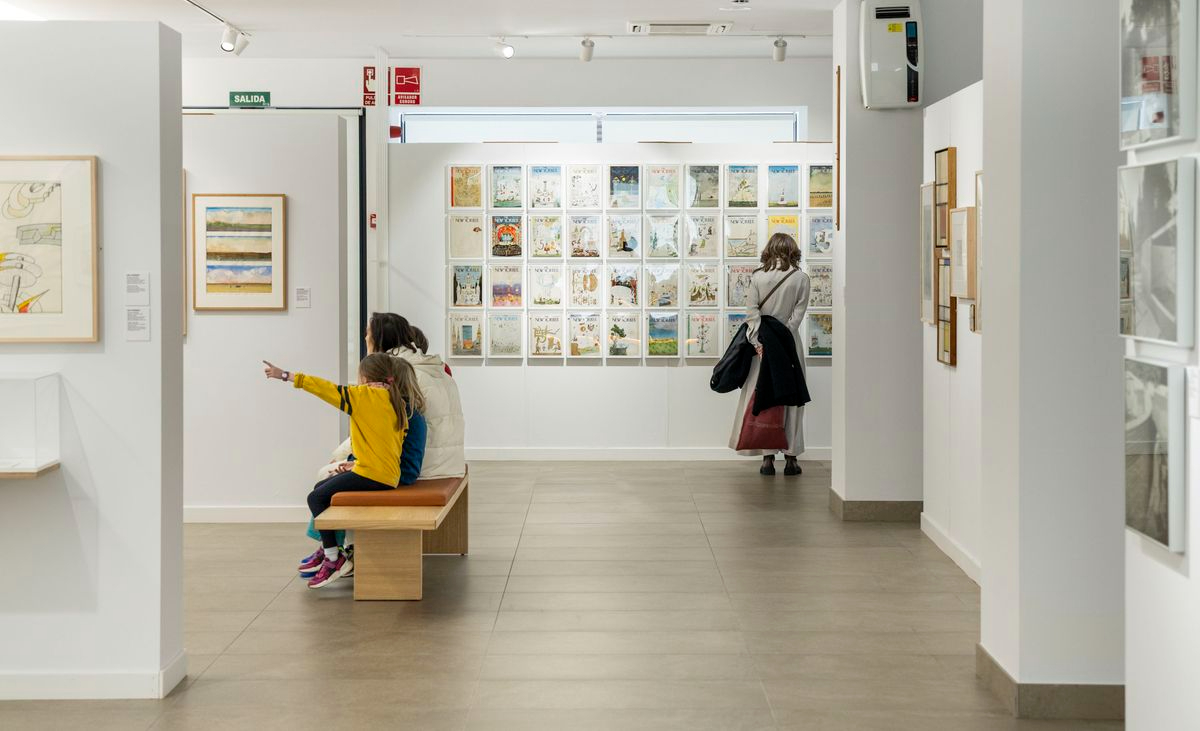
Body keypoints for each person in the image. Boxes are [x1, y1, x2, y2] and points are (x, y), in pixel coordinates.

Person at [262, 353, 422, 589]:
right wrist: (356, 464)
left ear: (364, 377)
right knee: (321, 489)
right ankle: (332, 549)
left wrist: (285, 375)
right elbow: (387, 446)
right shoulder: (394, 400)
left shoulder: (361, 397)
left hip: (372, 475)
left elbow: (322, 388)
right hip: (385, 475)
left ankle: (334, 559)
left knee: (315, 497)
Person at [319, 313, 465, 481]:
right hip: (451, 464)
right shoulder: (433, 367)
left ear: (378, 339)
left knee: (324, 474)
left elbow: (376, 428)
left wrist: (341, 457)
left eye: (367, 334)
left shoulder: (396, 372)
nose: (365, 338)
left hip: (421, 468)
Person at [728, 233, 811, 476]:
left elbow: (751, 312)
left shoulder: (757, 277)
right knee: (792, 399)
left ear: (769, 250)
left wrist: (758, 341)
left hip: (761, 346)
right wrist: (783, 337)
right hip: (789, 344)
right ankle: (792, 457)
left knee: (761, 396)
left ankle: (767, 458)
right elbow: (797, 316)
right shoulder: (801, 278)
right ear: (792, 251)